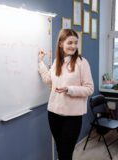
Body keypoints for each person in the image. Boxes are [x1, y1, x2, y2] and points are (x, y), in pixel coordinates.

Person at [38, 29, 94, 160]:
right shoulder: (58, 61)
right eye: (70, 42)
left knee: (66, 153)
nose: (74, 46)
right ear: (61, 44)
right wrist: (40, 62)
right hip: (53, 113)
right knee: (60, 149)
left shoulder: (82, 62)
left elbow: (89, 88)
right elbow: (48, 80)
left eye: (75, 43)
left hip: (72, 117)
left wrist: (69, 89)